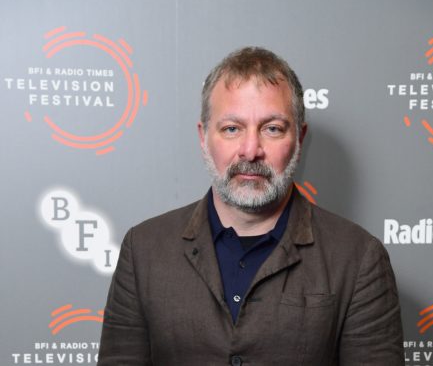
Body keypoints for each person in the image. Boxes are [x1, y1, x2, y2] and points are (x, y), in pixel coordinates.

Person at [97, 47, 404, 365]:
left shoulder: (358, 258)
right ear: (204, 138)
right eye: (232, 128)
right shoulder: (144, 249)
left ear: (299, 138)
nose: (250, 150)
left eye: (272, 129)